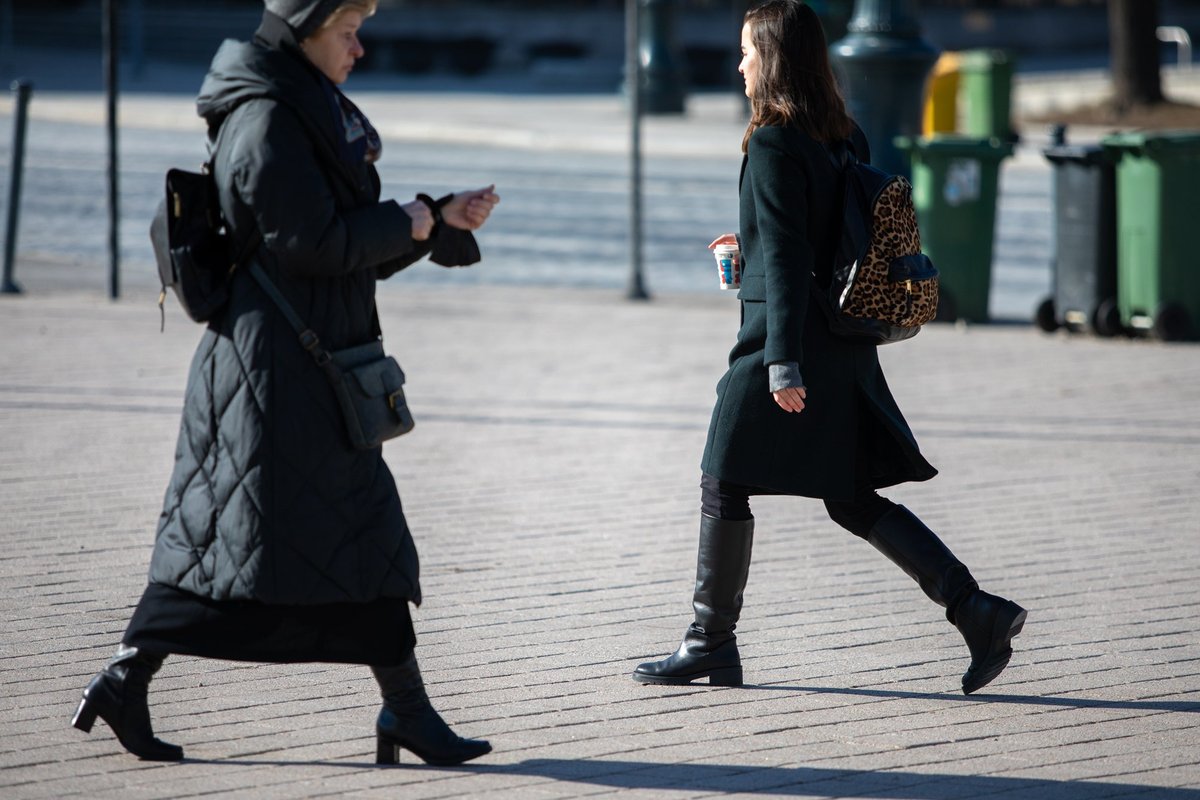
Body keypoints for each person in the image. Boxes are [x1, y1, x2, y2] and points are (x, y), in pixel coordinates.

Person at [72, 0, 499, 765]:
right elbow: (310, 243)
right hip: (272, 377)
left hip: (305, 367)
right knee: (263, 541)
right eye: (347, 32)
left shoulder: (300, 110)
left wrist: (436, 220)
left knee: (328, 542)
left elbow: (333, 249)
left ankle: (402, 711)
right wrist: (410, 221)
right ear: (304, 33)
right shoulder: (268, 118)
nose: (359, 49)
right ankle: (130, 679)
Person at [632, 0, 1026, 695]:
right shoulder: (842, 134)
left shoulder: (772, 142)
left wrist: (780, 359)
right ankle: (974, 608)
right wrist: (742, 244)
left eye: (750, 51)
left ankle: (708, 643)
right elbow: (812, 237)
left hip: (786, 344)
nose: (740, 63)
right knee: (848, 494)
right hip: (841, 342)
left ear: (775, 60)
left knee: (724, 477)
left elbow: (786, 257)